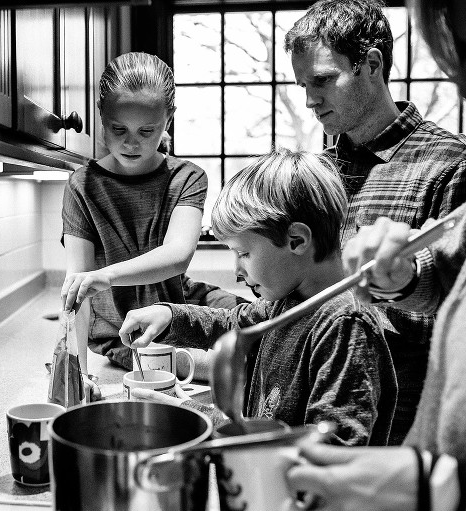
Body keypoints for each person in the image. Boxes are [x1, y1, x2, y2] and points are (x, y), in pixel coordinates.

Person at [286, 0, 466, 509]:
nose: (310, 100)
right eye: (303, 86)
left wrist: (402, 277)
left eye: (322, 80)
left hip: (405, 438)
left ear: (370, 63)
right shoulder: (317, 171)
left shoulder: (449, 165)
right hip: (320, 410)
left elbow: (452, 311)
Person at [120, 148, 398, 446]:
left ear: (297, 241)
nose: (236, 272)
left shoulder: (344, 325)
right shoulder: (288, 302)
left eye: (243, 253)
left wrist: (197, 416)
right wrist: (168, 316)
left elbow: (330, 452)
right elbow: (230, 324)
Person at [60, 52, 245, 381]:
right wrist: (78, 375)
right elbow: (79, 290)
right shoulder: (81, 186)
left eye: (147, 131)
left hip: (184, 306)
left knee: (273, 330)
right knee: (239, 366)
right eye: (119, 129)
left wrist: (107, 275)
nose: (131, 143)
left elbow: (177, 256)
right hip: (124, 334)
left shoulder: (187, 177)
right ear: (102, 116)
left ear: (168, 119)